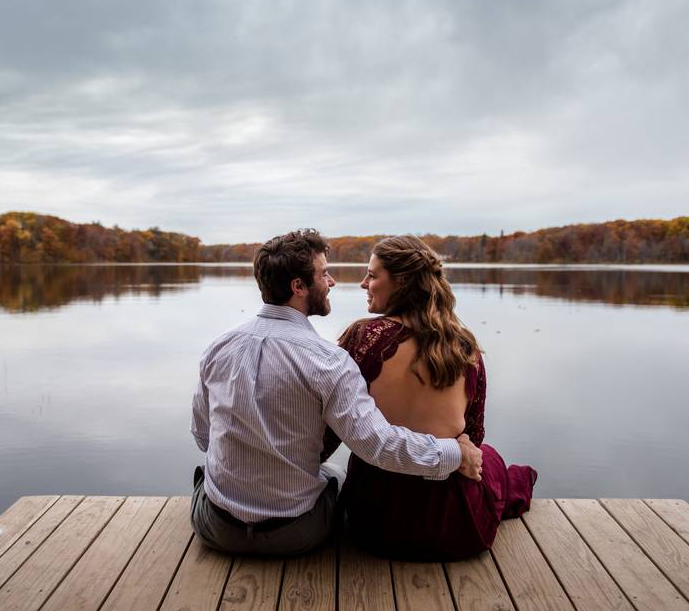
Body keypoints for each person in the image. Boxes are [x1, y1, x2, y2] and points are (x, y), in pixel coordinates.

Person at [190, 229, 484, 556]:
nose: (332, 282)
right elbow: (378, 445)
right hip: (295, 534)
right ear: (298, 287)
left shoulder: (218, 348)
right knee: (334, 477)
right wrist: (455, 454)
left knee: (207, 474)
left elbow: (203, 436)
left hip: (216, 528)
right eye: (324, 274)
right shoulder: (328, 362)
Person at [326, 235, 537, 561]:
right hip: (454, 527)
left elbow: (331, 419)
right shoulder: (465, 347)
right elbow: (474, 437)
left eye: (372, 275)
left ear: (402, 282)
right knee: (491, 459)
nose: (363, 283)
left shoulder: (362, 338)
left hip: (374, 522)